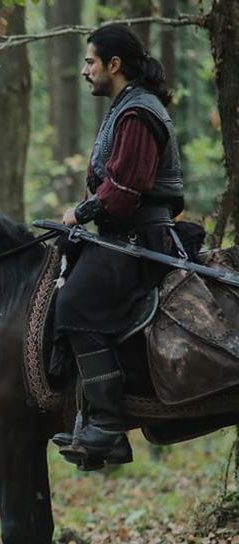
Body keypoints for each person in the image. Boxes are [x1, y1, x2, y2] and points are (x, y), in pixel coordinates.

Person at [51, 24, 185, 468]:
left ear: (113, 65)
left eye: (90, 61)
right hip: (123, 237)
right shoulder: (125, 109)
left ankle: (107, 423)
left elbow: (126, 189)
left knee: (74, 303)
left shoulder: (138, 113)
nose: (84, 71)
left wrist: (81, 212)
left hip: (139, 241)